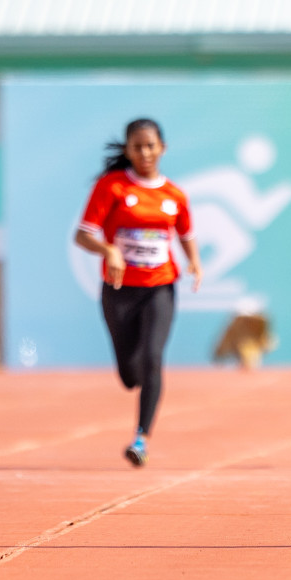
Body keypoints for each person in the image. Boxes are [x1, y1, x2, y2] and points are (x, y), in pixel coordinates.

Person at [73, 119, 201, 467]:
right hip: (118, 291)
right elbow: (82, 235)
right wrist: (109, 250)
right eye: (137, 147)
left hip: (160, 287)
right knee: (131, 374)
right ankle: (140, 379)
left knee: (153, 358)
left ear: (163, 148)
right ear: (127, 150)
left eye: (150, 146)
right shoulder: (111, 187)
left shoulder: (173, 195)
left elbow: (186, 233)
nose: (144, 153)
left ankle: (141, 438)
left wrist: (194, 262)